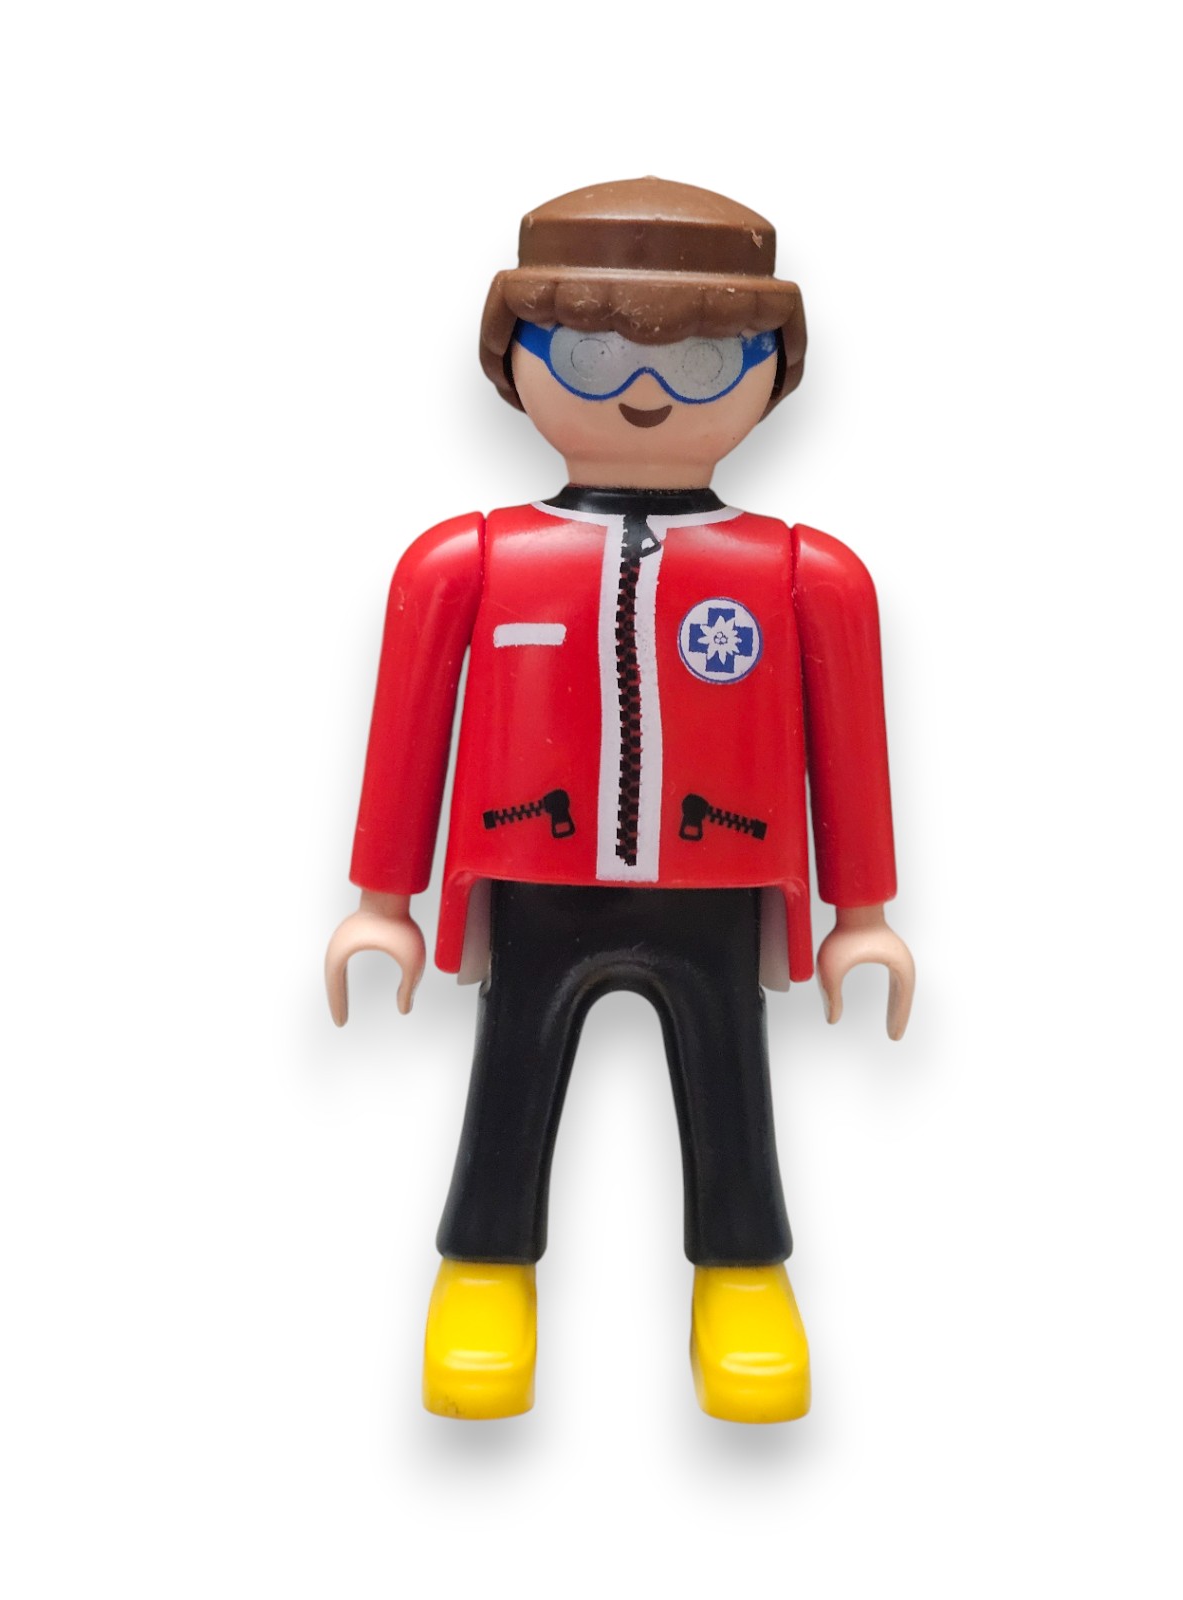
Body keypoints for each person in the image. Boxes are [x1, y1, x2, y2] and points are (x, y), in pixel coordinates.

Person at [325, 177, 915, 1423]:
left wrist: (860, 914)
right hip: (532, 876)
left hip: (721, 883)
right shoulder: (467, 560)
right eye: (589, 356)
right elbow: (407, 730)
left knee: (730, 1078)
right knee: (510, 1072)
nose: (645, 391)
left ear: (771, 371)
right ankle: (484, 1269)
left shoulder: (805, 575)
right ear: (513, 359)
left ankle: (743, 1278)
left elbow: (851, 747)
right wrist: (382, 899)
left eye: (702, 361)